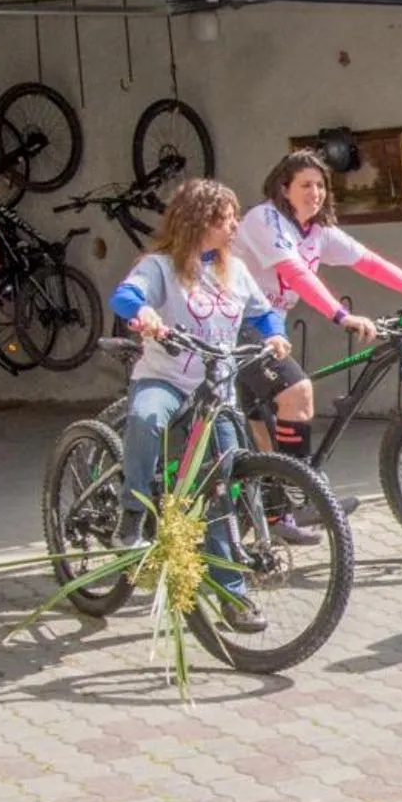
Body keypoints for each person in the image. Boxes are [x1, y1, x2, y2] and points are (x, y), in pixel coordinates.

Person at [231, 148, 402, 541]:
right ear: (284, 188)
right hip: (236, 324)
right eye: (305, 185)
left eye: (320, 185)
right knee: (297, 393)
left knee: (263, 427)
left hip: (270, 328)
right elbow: (294, 273)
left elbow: (368, 262)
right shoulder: (264, 220)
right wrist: (340, 315)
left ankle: (278, 516)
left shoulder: (317, 232)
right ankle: (302, 496)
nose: (314, 193)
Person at [107, 178, 287, 634]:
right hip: (166, 379)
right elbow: (126, 295)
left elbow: (262, 311)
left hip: (217, 394)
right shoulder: (161, 266)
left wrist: (275, 334)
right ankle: (132, 512)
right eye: (225, 219)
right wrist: (144, 313)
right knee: (147, 418)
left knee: (219, 490)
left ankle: (231, 594)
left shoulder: (236, 270)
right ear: (198, 222)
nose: (233, 227)